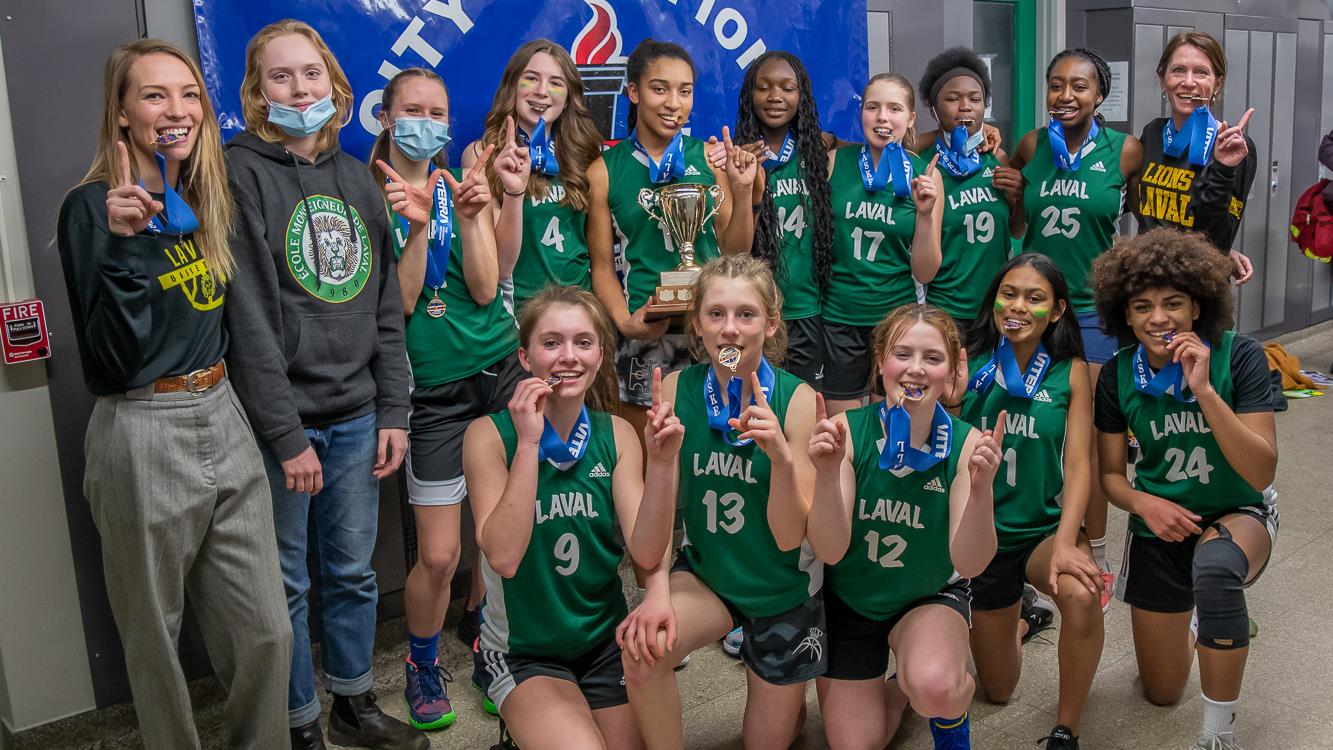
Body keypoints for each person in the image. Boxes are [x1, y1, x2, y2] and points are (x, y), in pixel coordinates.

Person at [56, 38, 291, 750]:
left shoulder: (198, 198)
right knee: (154, 641)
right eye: (154, 95)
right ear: (122, 114)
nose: (176, 109)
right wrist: (125, 244)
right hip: (142, 424)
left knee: (267, 634)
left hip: (220, 411)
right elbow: (112, 356)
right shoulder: (92, 208)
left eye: (189, 94)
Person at [224, 20, 422, 750]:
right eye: (281, 77)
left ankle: (353, 702)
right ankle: (300, 720)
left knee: (352, 573)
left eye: (311, 74)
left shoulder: (354, 180)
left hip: (357, 416)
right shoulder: (236, 172)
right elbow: (246, 321)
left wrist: (393, 409)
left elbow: (384, 312)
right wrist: (283, 434)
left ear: (335, 86)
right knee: (285, 586)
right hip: (285, 425)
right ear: (256, 92)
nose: (299, 89)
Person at [617, 255, 823, 750]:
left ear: (770, 323)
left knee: (770, 740)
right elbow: (651, 538)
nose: (730, 330)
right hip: (710, 576)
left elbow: (792, 536)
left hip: (782, 588)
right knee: (643, 650)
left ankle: (789, 700)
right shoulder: (674, 388)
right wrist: (658, 590)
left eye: (746, 314)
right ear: (697, 323)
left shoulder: (797, 401)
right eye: (716, 314)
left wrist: (780, 458)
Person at [370, 66, 519, 731]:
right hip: (430, 394)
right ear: (385, 116)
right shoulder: (365, 190)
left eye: (437, 110)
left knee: (500, 537)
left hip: (497, 371)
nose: (425, 121)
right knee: (438, 555)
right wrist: (415, 229)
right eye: (412, 109)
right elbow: (401, 302)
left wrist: (471, 214)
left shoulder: (458, 183)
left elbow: (487, 290)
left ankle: (492, 649)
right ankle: (422, 663)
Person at [1092, 227, 1278, 750]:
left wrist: (1203, 390)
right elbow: (1110, 476)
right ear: (1123, 316)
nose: (1158, 318)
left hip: (1236, 509)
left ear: (1198, 308)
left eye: (1173, 303)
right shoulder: (1115, 376)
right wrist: (1144, 502)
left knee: (1216, 573)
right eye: (1142, 306)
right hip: (1160, 521)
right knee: (1162, 692)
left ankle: (1217, 737)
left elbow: (1262, 470)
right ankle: (1204, 617)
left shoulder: (1238, 358)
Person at [466, 286, 661, 750]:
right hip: (523, 653)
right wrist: (529, 445)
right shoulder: (488, 437)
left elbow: (647, 550)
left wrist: (665, 465)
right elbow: (505, 558)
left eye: (583, 342)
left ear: (599, 356)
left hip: (602, 643)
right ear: (526, 357)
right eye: (551, 343)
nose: (568, 356)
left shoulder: (616, 435)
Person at [807, 303, 1001, 750]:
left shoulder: (969, 443)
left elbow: (969, 562)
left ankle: (943, 696)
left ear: (951, 371)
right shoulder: (845, 433)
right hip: (852, 602)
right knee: (856, 744)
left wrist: (982, 489)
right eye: (902, 355)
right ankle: (902, 687)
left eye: (932, 358)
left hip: (926, 597)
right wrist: (824, 472)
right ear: (880, 363)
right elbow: (831, 550)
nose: (915, 370)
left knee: (937, 687)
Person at [996, 47, 1143, 604]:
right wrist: (1012, 200)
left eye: (1078, 86)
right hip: (1037, 308)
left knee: (1091, 437)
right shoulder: (1031, 145)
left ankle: (1096, 549)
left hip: (1095, 310)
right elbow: (1016, 222)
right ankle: (1034, 542)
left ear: (1099, 94)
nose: (1065, 96)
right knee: (1035, 428)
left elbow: (1149, 218)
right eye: (1056, 85)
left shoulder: (1126, 151)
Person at [959, 256, 1103, 750]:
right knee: (997, 691)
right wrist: (954, 399)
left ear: (1059, 310)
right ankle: (1023, 616)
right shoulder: (969, 361)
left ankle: (1066, 729)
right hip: (982, 538)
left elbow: (1081, 465)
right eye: (1009, 293)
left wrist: (1068, 542)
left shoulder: (1072, 372)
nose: (1017, 306)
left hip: (1040, 530)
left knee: (1082, 596)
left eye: (1035, 297)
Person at [587, 39, 758, 435]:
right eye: (659, 88)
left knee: (715, 446)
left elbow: (734, 251)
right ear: (633, 92)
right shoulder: (604, 170)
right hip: (649, 331)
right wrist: (625, 324)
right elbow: (601, 265)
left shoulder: (712, 160)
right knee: (648, 454)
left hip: (716, 327)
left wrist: (744, 189)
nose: (673, 103)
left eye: (684, 91)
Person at [823, 74, 944, 415]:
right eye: (872, 107)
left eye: (894, 108)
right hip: (839, 316)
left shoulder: (926, 175)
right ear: (861, 113)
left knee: (893, 423)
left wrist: (924, 214)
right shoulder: (835, 163)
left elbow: (926, 271)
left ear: (910, 119)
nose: (882, 118)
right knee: (842, 428)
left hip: (895, 319)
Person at [466, 40, 603, 314]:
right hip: (520, 314)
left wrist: (712, 153)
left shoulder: (586, 153)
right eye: (531, 78)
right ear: (512, 87)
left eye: (556, 83)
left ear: (567, 100)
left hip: (581, 310)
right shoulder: (483, 153)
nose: (542, 92)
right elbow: (501, 268)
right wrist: (513, 193)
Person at [728, 50, 834, 388]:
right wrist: (749, 194)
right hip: (751, 315)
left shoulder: (819, 153)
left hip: (806, 314)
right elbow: (733, 251)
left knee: (803, 415)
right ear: (750, 95)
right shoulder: (734, 160)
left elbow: (877, 144)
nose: (775, 96)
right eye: (764, 87)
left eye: (787, 88)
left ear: (802, 96)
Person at [1134, 31, 1258, 284]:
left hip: (1199, 293)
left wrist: (1223, 168)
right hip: (1145, 286)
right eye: (1178, 70)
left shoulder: (1233, 146)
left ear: (1218, 83)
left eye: (1201, 72)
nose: (1188, 82)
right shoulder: (1153, 133)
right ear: (1162, 79)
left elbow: (1219, 240)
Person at [917, 48, 1012, 330]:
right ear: (934, 108)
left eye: (975, 99)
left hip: (995, 308)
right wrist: (937, 136)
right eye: (952, 99)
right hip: (943, 309)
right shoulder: (922, 165)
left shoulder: (999, 158)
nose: (965, 106)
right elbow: (891, 147)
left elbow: (1017, 229)